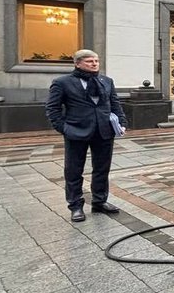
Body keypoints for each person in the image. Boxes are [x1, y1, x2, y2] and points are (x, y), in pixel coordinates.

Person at [45, 49, 127, 222]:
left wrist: (121, 122)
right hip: (76, 132)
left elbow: (114, 103)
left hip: (104, 132)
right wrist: (64, 128)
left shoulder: (106, 81)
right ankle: (75, 206)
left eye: (96, 61)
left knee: (101, 170)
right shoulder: (62, 82)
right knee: (74, 171)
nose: (94, 64)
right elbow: (52, 109)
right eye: (90, 61)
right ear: (77, 63)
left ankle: (99, 201)